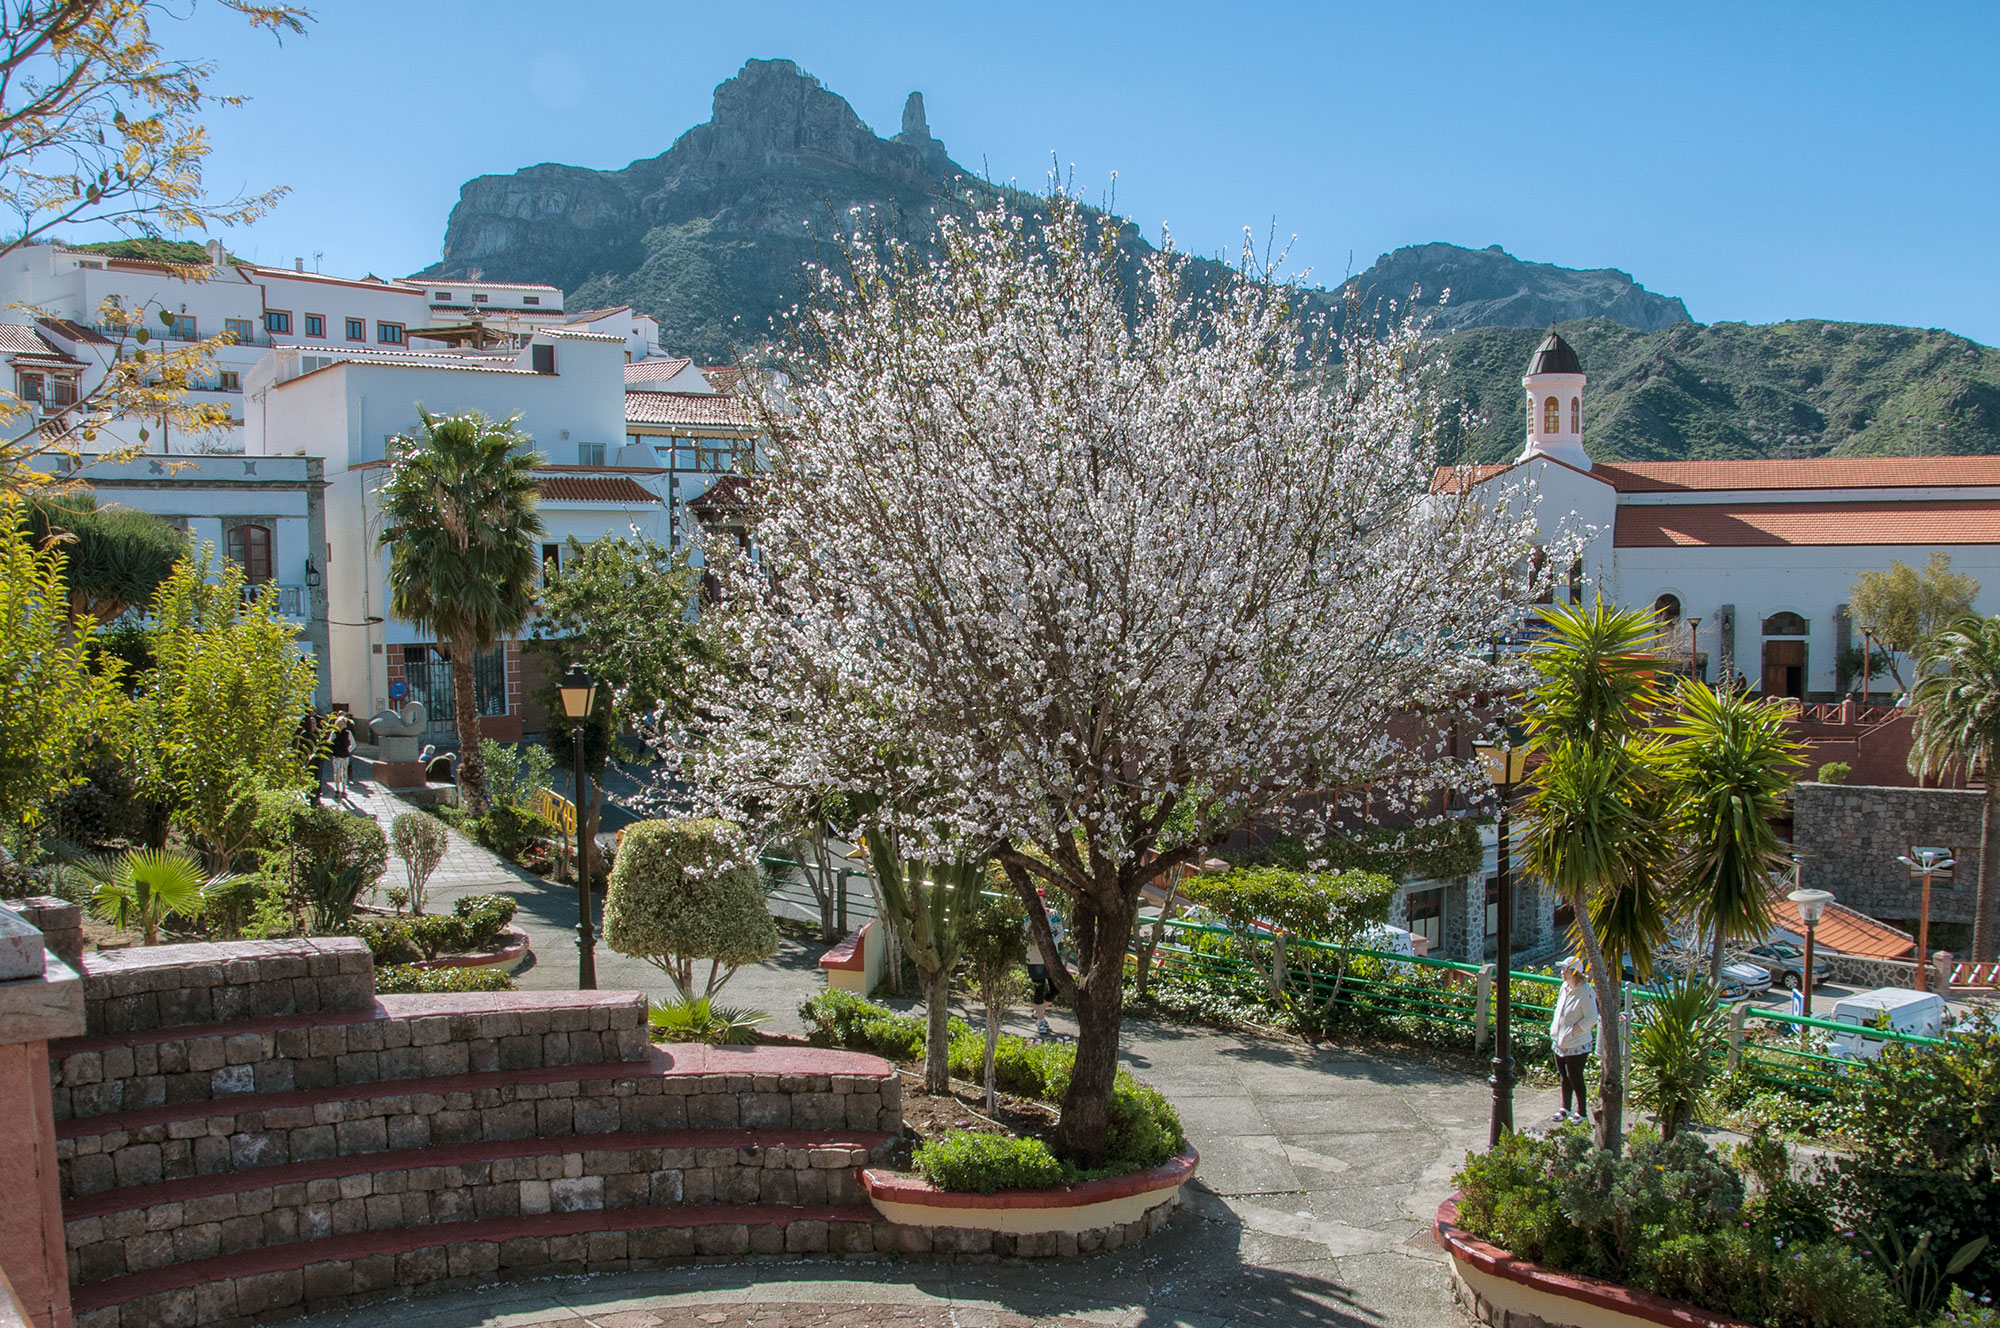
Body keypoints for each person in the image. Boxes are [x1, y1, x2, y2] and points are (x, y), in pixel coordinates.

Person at [1549, 955, 1599, 1123]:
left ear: (1575, 973)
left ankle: (1582, 1112)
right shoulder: (1564, 987)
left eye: (1566, 970)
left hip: (1577, 1043)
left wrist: (1574, 1031)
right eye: (1563, 970)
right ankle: (1565, 1108)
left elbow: (1592, 1018)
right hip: (1560, 1042)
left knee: (1575, 1077)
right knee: (1564, 1076)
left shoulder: (1586, 992)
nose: (1563, 973)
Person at [1026, 896, 1067, 1041]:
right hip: (1034, 956)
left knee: (1056, 987)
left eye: (1041, 899)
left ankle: (1039, 1011)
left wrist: (1049, 943)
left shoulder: (1053, 914)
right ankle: (1040, 1020)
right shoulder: (1028, 916)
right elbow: (1026, 934)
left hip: (1050, 956)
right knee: (1039, 987)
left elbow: (1060, 932)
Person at [328, 712, 355, 799]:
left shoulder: (348, 733)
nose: (341, 725)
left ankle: (343, 790)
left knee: (344, 773)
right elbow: (329, 742)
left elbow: (353, 744)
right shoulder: (334, 733)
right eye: (339, 723)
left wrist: (348, 750)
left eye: (342, 723)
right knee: (336, 773)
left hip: (345, 755)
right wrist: (332, 740)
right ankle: (337, 789)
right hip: (336, 755)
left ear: (345, 724)